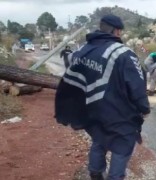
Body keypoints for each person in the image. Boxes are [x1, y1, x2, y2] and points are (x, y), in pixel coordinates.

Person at [54, 14, 150, 180]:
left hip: (92, 110)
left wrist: (66, 53)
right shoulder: (124, 53)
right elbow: (136, 85)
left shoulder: (85, 49)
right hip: (119, 114)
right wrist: (144, 108)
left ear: (101, 28)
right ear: (117, 31)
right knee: (122, 146)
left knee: (99, 138)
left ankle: (95, 173)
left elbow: (70, 63)